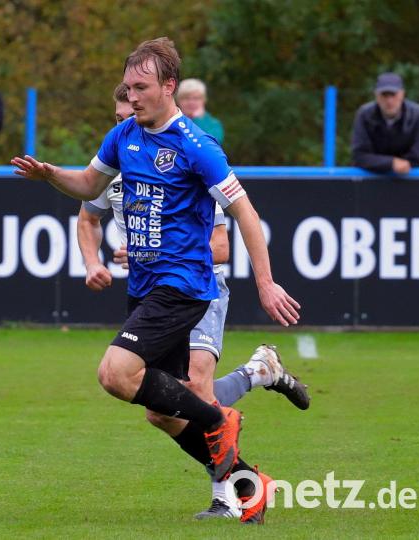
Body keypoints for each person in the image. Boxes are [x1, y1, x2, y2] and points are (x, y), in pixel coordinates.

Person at [13, 37, 301, 525]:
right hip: (143, 287)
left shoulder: (197, 146)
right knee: (162, 411)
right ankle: (249, 486)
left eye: (141, 87)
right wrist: (50, 175)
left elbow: (245, 213)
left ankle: (219, 419)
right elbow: (88, 187)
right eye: (128, 87)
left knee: (114, 373)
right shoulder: (123, 136)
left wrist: (266, 282)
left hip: (183, 285)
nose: (133, 96)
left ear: (169, 87)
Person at [77, 83, 310, 520]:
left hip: (197, 285)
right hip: (153, 289)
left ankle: (226, 497)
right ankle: (259, 380)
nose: (124, 123)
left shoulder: (186, 159)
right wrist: (92, 262)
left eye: (130, 112)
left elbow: (220, 246)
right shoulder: (118, 165)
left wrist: (157, 246)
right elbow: (87, 218)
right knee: (162, 410)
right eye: (116, 118)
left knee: (196, 390)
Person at [351, 72, 419, 174]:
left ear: (402, 94)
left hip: (411, 179)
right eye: (384, 95)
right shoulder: (364, 115)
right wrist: (392, 163)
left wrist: (394, 164)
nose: (389, 101)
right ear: (376, 95)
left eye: (393, 94)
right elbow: (359, 155)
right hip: (372, 181)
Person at [177, 78, 223, 144]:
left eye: (196, 98)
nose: (191, 102)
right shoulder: (172, 121)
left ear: (204, 100)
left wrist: (198, 119)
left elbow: (210, 144)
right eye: (186, 98)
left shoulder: (214, 124)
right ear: (179, 100)